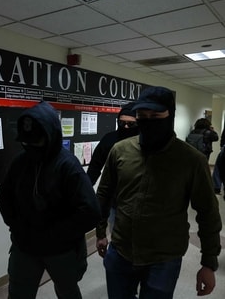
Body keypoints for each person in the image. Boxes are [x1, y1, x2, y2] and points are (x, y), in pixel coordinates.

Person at [95, 86, 222, 298]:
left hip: (163, 258)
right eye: (142, 116)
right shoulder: (120, 151)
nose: (148, 121)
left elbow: (208, 212)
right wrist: (100, 232)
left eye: (155, 116)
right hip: (121, 251)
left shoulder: (190, 160)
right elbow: (104, 194)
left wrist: (208, 263)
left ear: (169, 116)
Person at [0, 101, 101, 299]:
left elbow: (90, 211)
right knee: (19, 293)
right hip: (25, 246)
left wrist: (57, 234)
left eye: (37, 142)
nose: (31, 148)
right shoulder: (20, 162)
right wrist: (16, 226)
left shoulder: (68, 166)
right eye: (27, 143)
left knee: (67, 291)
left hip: (60, 249)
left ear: (50, 136)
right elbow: (4, 196)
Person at [87, 102, 139, 233]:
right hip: (115, 201)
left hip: (140, 202)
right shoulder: (110, 139)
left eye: (131, 124)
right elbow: (95, 167)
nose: (126, 127)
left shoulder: (144, 141)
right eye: (122, 123)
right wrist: (85, 190)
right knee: (117, 236)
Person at [212, 128, 225, 194]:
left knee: (218, 168)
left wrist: (222, 145)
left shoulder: (193, 132)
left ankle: (216, 187)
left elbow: (223, 137)